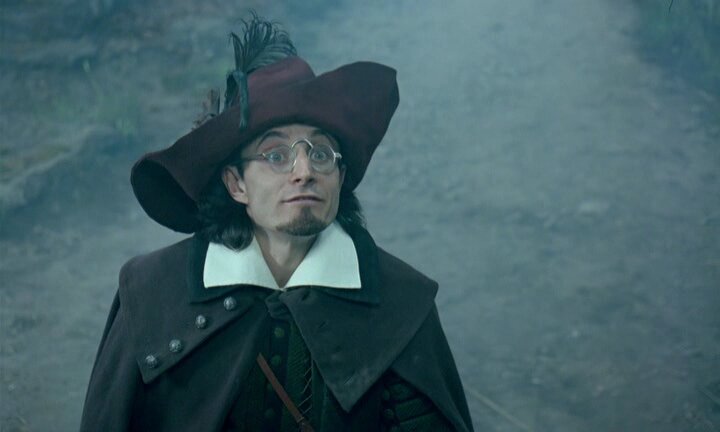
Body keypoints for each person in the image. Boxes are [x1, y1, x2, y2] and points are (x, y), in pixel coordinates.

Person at [80, 14, 473, 432]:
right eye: (276, 155)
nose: (305, 172)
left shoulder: (401, 301)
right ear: (236, 184)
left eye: (320, 154)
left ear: (339, 177)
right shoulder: (152, 292)